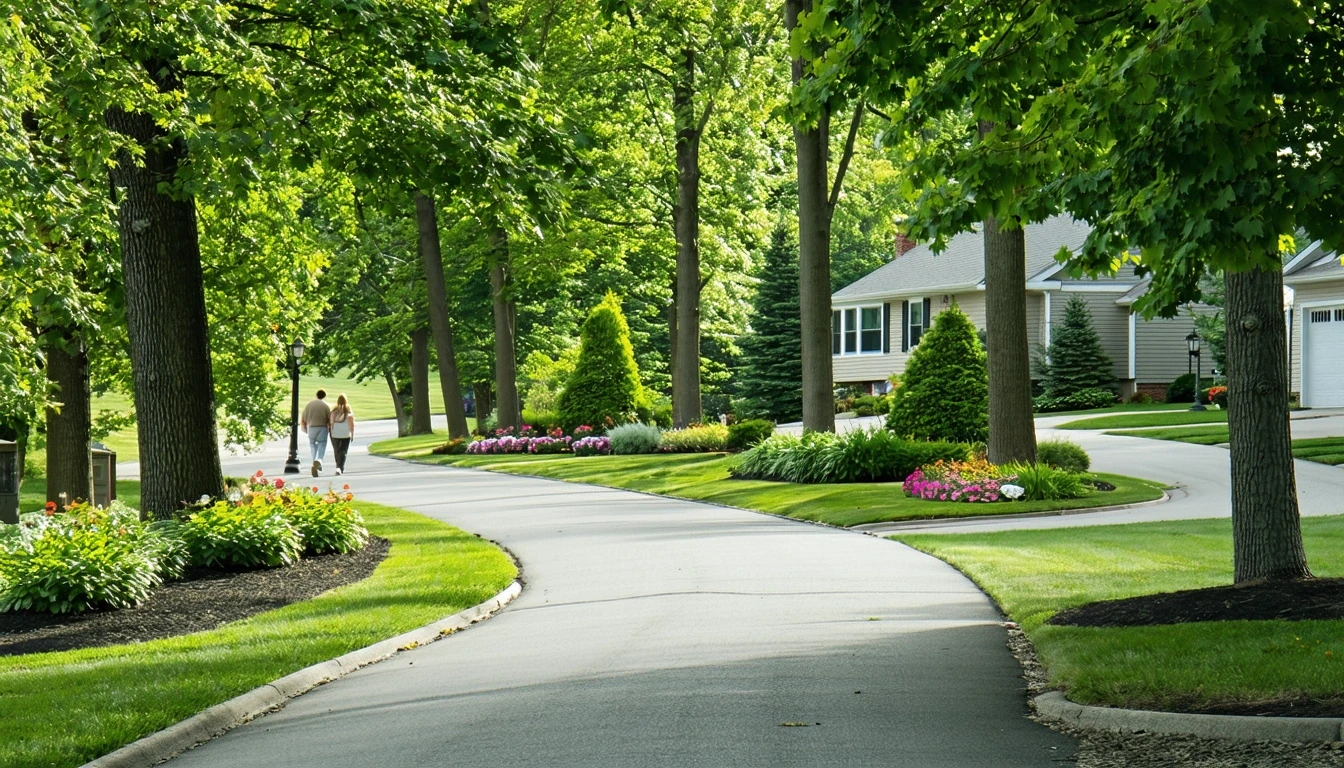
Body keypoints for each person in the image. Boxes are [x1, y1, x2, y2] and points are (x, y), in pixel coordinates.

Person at [300, 389, 332, 477]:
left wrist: (304, 428)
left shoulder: (309, 405)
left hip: (311, 427)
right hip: (322, 427)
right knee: (322, 444)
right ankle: (319, 460)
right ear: (324, 396)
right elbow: (330, 419)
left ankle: (314, 460)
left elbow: (303, 418)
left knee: (312, 444)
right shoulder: (326, 406)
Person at [329, 394, 356, 476]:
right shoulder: (348, 410)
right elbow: (352, 424)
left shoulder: (334, 411)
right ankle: (340, 467)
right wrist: (352, 434)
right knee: (343, 450)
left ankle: (338, 466)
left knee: (337, 450)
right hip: (345, 433)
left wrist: (331, 431)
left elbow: (331, 423)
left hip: (335, 433)